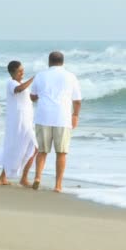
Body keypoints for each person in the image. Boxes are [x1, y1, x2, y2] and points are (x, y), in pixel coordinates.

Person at [30, 51, 82, 192]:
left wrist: (38, 97)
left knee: (42, 151)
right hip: (62, 117)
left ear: (49, 62)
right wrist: (75, 115)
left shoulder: (40, 75)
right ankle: (58, 185)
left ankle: (37, 178)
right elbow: (77, 101)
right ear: (62, 62)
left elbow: (33, 96)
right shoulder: (71, 76)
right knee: (61, 152)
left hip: (43, 116)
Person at [0, 61, 37, 186]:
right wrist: (33, 79)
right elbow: (19, 89)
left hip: (27, 120)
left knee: (26, 148)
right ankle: (18, 178)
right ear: (12, 72)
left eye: (23, 70)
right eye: (19, 71)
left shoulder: (21, 84)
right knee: (27, 147)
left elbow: (29, 98)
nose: (22, 73)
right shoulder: (11, 83)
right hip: (19, 121)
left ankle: (9, 177)